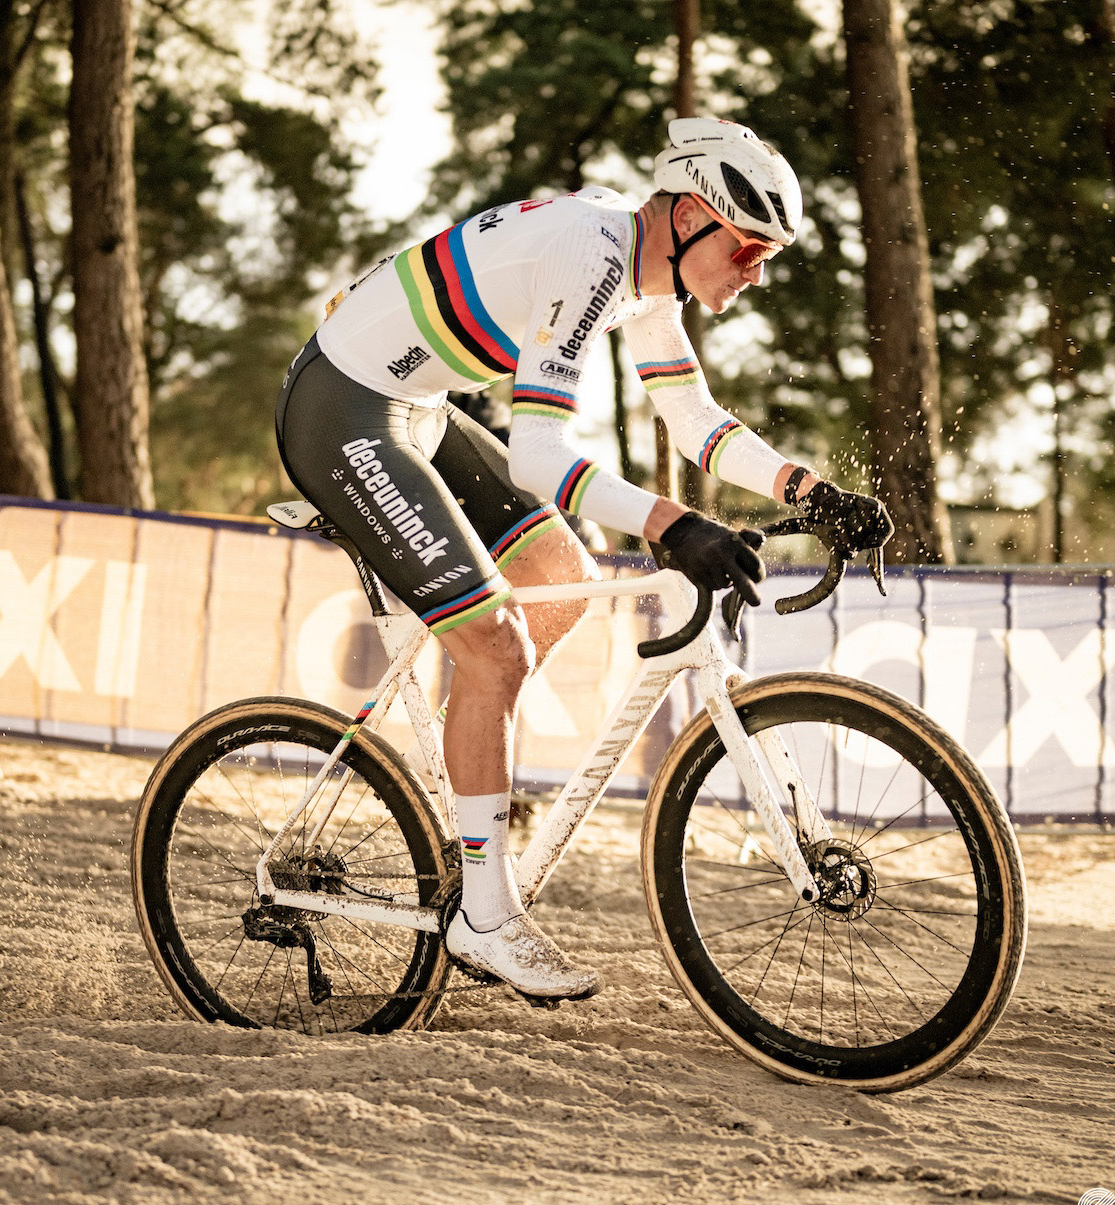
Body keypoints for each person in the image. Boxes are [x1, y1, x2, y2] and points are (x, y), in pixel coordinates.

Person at [274, 118, 894, 1000]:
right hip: (343, 410)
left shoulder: (647, 281)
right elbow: (536, 454)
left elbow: (695, 422)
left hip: (420, 409)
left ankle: (470, 795)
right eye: (749, 247)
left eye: (768, 257)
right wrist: (676, 525)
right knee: (495, 648)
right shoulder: (590, 253)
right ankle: (484, 916)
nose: (754, 272)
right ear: (687, 217)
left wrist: (811, 492)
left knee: (561, 579)